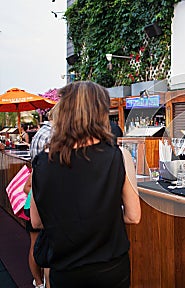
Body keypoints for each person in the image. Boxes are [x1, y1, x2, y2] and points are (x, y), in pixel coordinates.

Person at [29, 81, 141, 288]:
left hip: (65, 270)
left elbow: (36, 222)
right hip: (110, 269)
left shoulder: (42, 163)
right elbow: (133, 216)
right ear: (100, 113)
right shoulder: (119, 156)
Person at [24, 106, 57, 288]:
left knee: (36, 243)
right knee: (46, 246)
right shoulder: (52, 136)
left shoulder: (39, 133)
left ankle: (38, 283)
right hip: (44, 195)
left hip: (35, 193)